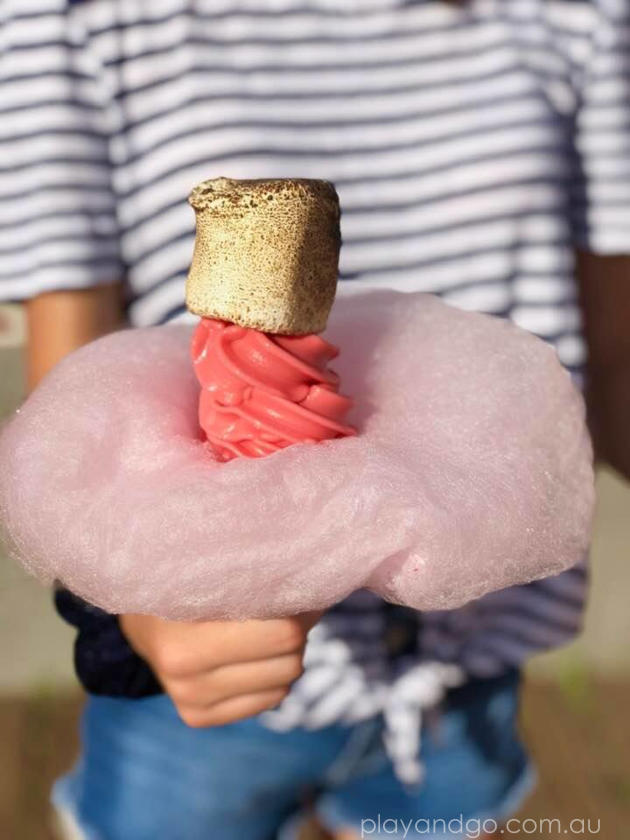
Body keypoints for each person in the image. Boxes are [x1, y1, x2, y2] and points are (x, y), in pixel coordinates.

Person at [1, 1, 629, 838]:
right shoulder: (74, 19)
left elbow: (616, 358)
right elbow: (66, 436)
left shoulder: (577, 16)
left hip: (466, 678)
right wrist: (137, 619)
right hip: (198, 697)